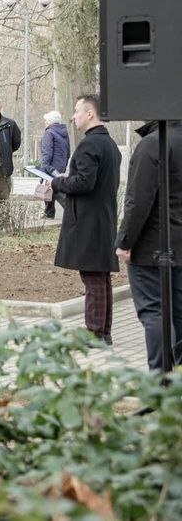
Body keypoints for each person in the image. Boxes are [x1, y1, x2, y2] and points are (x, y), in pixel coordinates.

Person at [49, 95, 121, 343]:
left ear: (90, 114)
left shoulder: (90, 145)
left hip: (89, 221)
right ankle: (104, 332)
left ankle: (94, 334)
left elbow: (84, 182)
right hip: (103, 218)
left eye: (77, 110)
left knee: (92, 279)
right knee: (101, 278)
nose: (74, 116)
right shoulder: (109, 144)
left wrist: (57, 182)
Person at [115, 120, 182, 371]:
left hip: (151, 247)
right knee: (178, 313)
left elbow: (138, 200)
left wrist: (125, 241)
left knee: (155, 312)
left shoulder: (152, 145)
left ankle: (161, 382)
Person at [40, 111, 71, 219]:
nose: (45, 123)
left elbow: (47, 152)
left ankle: (72, 213)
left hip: (50, 167)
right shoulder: (64, 133)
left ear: (49, 121)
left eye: (45, 121)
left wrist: (43, 168)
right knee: (50, 190)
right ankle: (48, 212)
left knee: (56, 191)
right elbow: (68, 152)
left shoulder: (49, 133)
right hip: (61, 166)